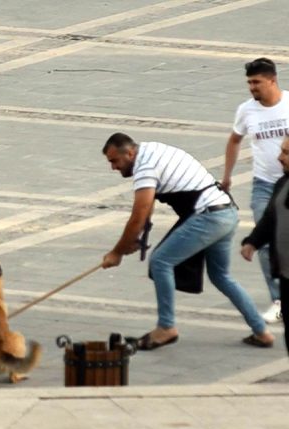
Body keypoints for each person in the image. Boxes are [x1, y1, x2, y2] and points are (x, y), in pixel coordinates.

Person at [100, 132, 273, 350]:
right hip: (226, 212)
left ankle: (166, 327)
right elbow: (147, 206)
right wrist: (137, 237)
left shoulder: (145, 166)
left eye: (115, 161)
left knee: (161, 261)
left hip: (209, 216)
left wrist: (117, 252)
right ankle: (261, 331)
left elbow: (139, 213)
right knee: (221, 276)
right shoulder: (151, 150)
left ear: (130, 153)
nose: (113, 167)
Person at [223, 57, 289, 323]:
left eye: (256, 82)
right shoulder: (246, 110)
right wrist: (227, 176)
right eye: (249, 83)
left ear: (272, 80)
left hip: (288, 183)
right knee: (265, 242)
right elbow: (234, 140)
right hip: (263, 185)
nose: (252, 87)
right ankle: (278, 300)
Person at [242, 136, 289, 355]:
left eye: (286, 153)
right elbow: (271, 218)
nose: (279, 158)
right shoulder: (283, 183)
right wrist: (253, 241)